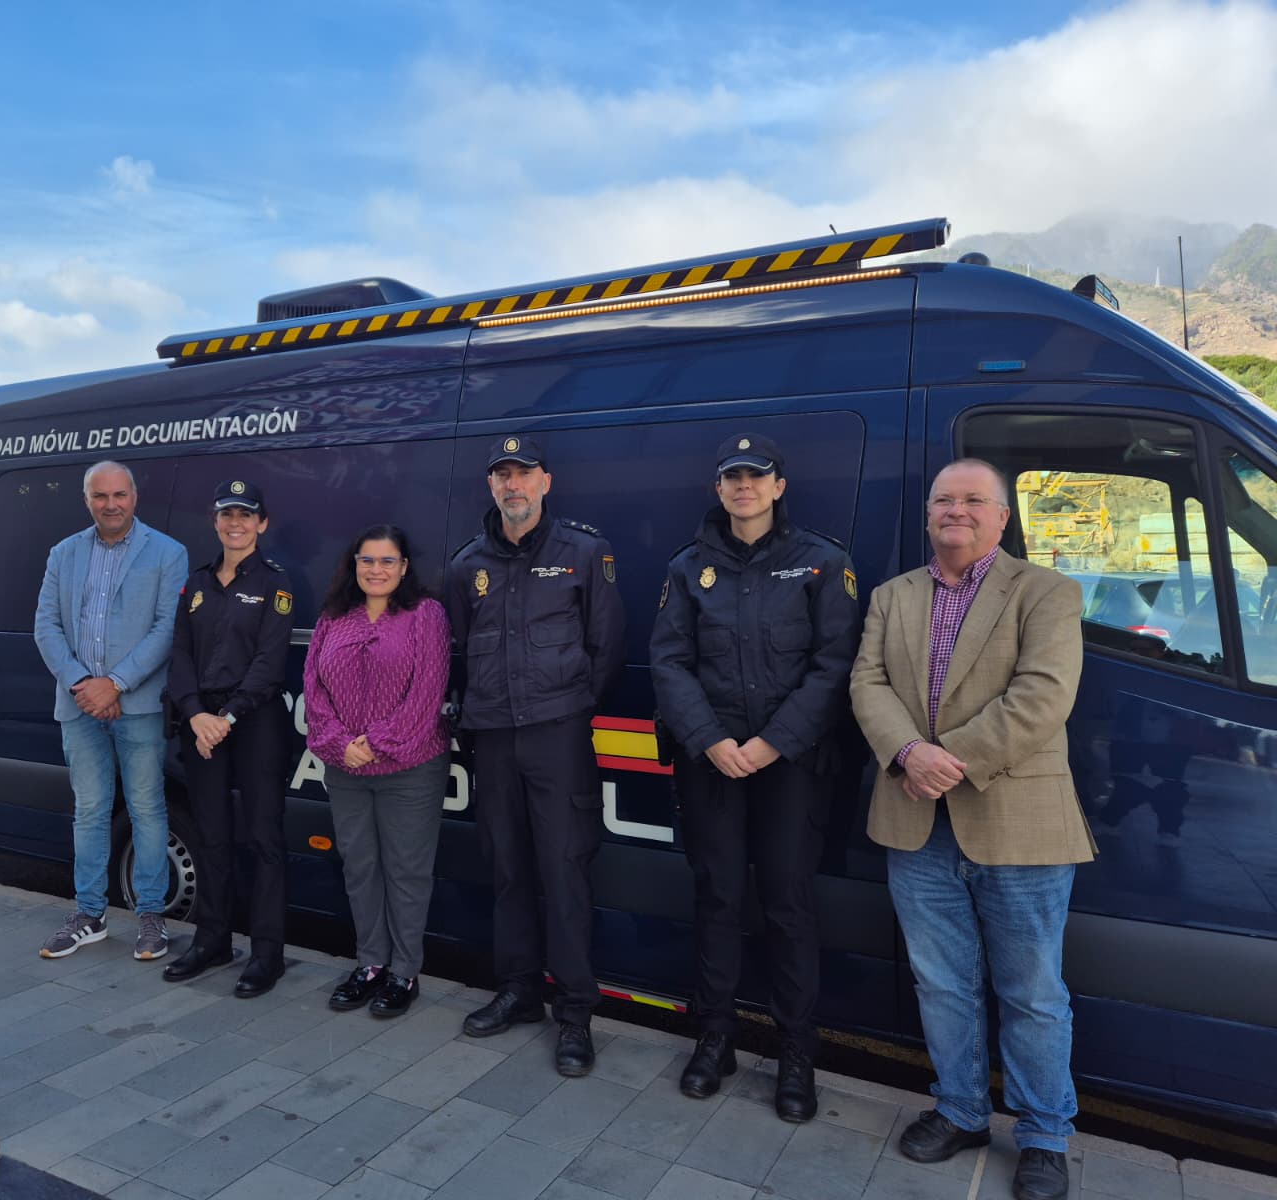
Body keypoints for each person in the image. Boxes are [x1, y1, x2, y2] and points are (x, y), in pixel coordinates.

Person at [850, 458, 1091, 1200]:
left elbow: (1043, 695)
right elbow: (867, 682)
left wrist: (943, 760)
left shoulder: (1046, 591)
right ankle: (959, 1110)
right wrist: (906, 752)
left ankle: (1044, 1136)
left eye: (974, 500)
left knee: (1032, 993)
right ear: (928, 514)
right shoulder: (892, 595)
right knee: (942, 983)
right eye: (944, 500)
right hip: (917, 823)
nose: (957, 510)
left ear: (1002, 516)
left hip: (1016, 822)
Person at [650, 433, 859, 1120]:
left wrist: (771, 744)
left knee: (787, 904)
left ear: (778, 486)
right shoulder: (688, 568)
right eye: (732, 477)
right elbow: (669, 662)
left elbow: (835, 666)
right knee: (717, 898)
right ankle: (715, 1038)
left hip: (789, 766)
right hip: (711, 763)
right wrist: (711, 741)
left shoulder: (822, 563)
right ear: (718, 489)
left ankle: (796, 1052)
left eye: (756, 476)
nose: (744, 487)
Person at [446, 433, 625, 1077]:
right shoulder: (466, 565)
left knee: (565, 872)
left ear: (545, 481)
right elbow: (459, 652)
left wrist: (567, 709)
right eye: (502, 475)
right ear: (491, 486)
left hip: (558, 738)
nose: (512, 484)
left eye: (523, 473)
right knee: (508, 870)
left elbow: (607, 647)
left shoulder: (585, 552)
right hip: (494, 739)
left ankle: (574, 1014)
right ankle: (519, 990)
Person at [33, 460, 189, 962]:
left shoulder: (168, 553)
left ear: (134, 497)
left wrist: (116, 683)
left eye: (119, 495)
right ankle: (89, 914)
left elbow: (166, 629)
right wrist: (83, 684)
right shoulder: (63, 553)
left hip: (138, 705)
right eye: (100, 496)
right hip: (79, 704)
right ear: (87, 501)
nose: (111, 504)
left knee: (146, 808)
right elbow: (46, 626)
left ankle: (151, 916)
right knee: (90, 809)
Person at [304, 525, 451, 1019]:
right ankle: (370, 964)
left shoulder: (425, 614)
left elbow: (428, 691)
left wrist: (379, 743)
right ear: (354, 564)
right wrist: (339, 744)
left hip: (411, 768)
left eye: (388, 560)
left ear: (404, 567)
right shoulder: (333, 617)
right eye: (367, 560)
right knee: (360, 867)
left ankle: (404, 972)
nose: (376, 569)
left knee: (406, 870)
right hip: (346, 768)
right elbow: (313, 688)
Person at [162, 479, 296, 998]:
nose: (235, 523)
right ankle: (212, 940)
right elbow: (179, 655)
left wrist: (227, 718)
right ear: (215, 521)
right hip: (202, 724)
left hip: (254, 722)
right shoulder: (196, 583)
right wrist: (195, 714)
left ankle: (267, 954)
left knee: (264, 839)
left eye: (245, 515)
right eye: (227, 514)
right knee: (212, 835)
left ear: (262, 523)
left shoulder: (275, 584)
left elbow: (269, 662)